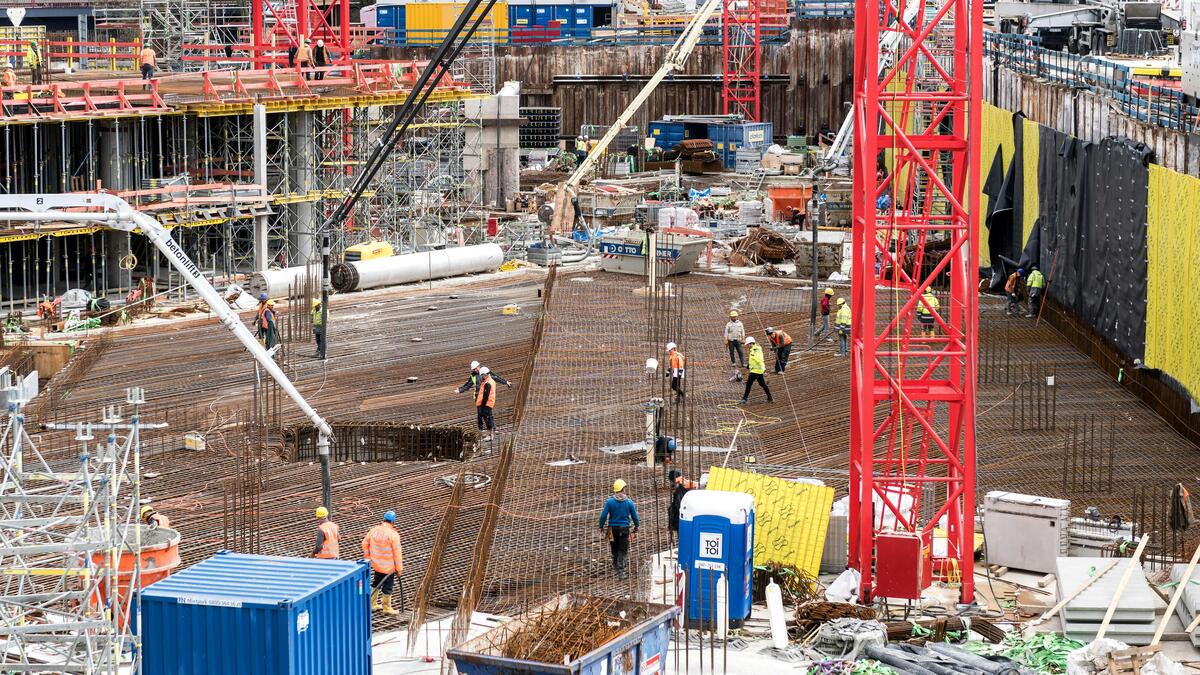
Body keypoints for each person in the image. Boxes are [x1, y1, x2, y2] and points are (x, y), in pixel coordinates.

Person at [362, 511, 403, 615]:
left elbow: (364, 543)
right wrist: (399, 569)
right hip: (389, 567)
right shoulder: (393, 534)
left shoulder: (373, 530)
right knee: (387, 587)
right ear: (393, 521)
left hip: (376, 565)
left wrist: (368, 558)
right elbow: (397, 553)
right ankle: (386, 607)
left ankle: (372, 604)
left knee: (376, 583)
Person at [598, 479, 640, 579]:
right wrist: (637, 526)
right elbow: (635, 517)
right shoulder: (629, 502)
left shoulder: (610, 502)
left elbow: (603, 516)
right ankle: (621, 572)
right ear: (623, 489)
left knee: (614, 548)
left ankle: (616, 566)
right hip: (624, 529)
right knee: (622, 550)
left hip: (612, 529)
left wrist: (601, 526)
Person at [740, 336, 772, 404]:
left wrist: (764, 370)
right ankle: (770, 398)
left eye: (748, 344)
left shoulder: (755, 350)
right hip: (757, 370)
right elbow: (752, 359)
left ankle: (744, 399)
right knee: (762, 384)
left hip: (756, 371)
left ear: (751, 343)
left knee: (748, 384)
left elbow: (760, 360)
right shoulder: (754, 348)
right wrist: (749, 365)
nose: (747, 346)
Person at [667, 470, 695, 545]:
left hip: (683, 515)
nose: (671, 484)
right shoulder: (687, 484)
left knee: (683, 536)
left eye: (671, 481)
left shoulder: (680, 490)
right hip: (689, 513)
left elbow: (679, 504)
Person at [475, 366, 498, 441]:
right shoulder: (490, 381)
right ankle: (491, 433)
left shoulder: (488, 383)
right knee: (488, 417)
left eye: (482, 375)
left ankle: (491, 435)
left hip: (487, 403)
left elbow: (486, 395)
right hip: (489, 402)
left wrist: (483, 404)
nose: (482, 377)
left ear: (484, 374)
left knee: (488, 418)